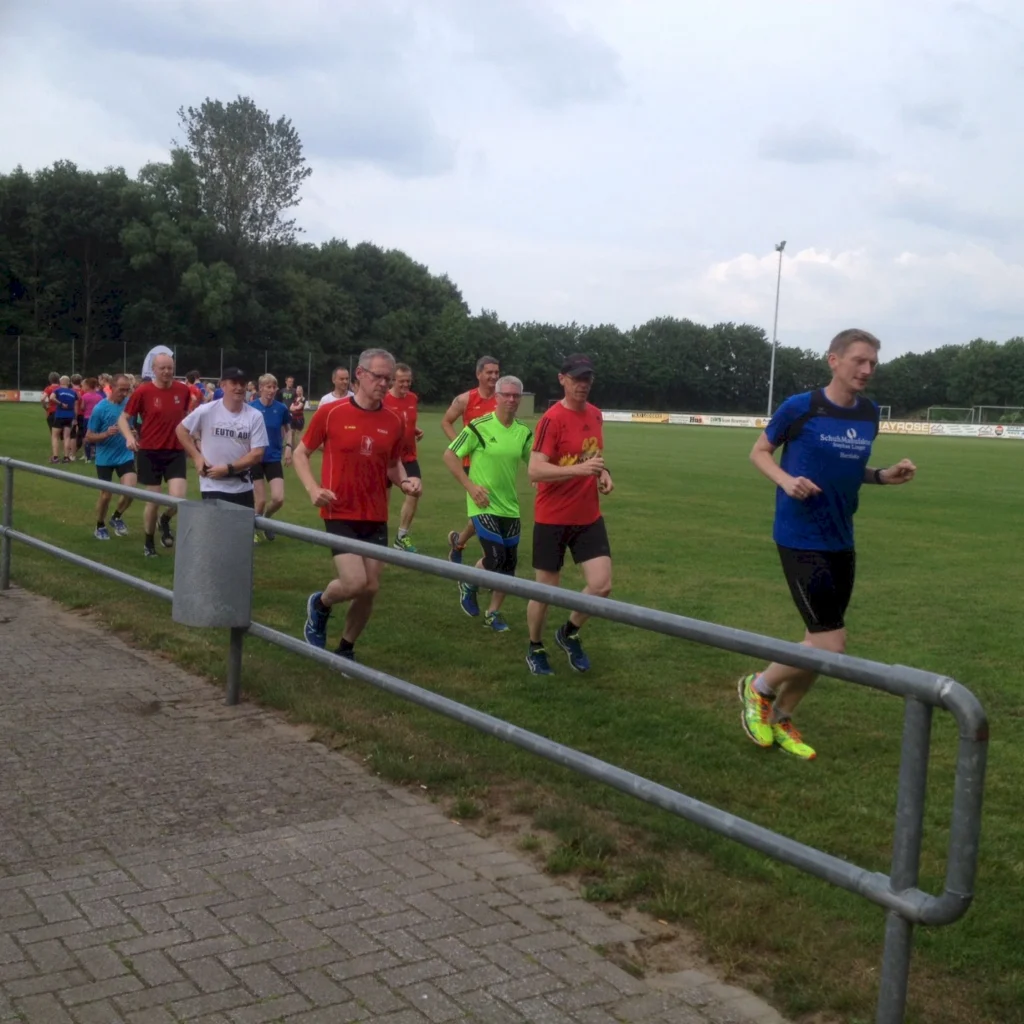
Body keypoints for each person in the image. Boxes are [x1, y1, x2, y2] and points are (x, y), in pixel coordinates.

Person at [737, 328, 917, 760]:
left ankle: (780, 719)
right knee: (831, 644)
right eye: (859, 360)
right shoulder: (800, 408)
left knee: (815, 640)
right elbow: (759, 452)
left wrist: (882, 475)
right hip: (800, 536)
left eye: (873, 362)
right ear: (833, 361)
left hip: (842, 538)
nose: (868, 369)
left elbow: (848, 468)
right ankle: (757, 688)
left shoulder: (869, 414)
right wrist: (786, 480)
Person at [292, 348, 421, 663]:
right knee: (354, 582)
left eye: (387, 378)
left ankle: (346, 648)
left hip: (375, 513)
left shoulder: (394, 421)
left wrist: (405, 482)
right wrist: (313, 488)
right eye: (377, 376)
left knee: (371, 587)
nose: (383, 383)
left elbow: (392, 466)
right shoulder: (331, 412)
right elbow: (300, 453)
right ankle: (321, 604)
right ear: (360, 375)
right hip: (340, 510)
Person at [525, 354, 613, 676]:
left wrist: (603, 473)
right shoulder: (551, 419)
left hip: (588, 516)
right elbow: (535, 468)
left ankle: (569, 632)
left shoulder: (595, 415)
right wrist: (580, 470)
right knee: (546, 591)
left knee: (601, 586)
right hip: (552, 518)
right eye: (577, 378)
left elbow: (592, 454)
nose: (583, 384)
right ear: (562, 379)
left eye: (587, 378)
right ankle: (535, 646)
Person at [443, 375, 533, 632]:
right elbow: (449, 455)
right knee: (495, 558)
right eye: (507, 394)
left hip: (510, 507)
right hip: (482, 504)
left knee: (509, 566)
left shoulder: (523, 433)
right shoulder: (477, 427)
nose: (512, 399)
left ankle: (493, 613)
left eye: (516, 396)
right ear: (497, 397)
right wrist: (470, 487)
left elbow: (534, 462)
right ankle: (470, 583)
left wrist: (540, 477)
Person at [117, 351, 192, 557]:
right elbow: (123, 419)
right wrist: (129, 438)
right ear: (154, 370)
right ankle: (149, 543)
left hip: (175, 452)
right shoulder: (143, 391)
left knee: (178, 500)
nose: (167, 372)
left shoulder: (183, 391)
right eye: (162, 368)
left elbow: (187, 419)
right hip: (150, 452)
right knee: (153, 500)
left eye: (170, 368)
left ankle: (165, 519)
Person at [176, 368, 268, 507]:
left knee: (241, 529)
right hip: (213, 485)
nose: (239, 388)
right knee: (216, 528)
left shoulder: (255, 416)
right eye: (234, 383)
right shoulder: (207, 410)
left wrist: (229, 469)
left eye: (242, 384)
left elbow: (257, 454)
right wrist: (197, 457)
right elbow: (181, 430)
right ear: (223, 385)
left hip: (243, 486)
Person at [441, 355, 501, 563]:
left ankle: (458, 542)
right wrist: (460, 445)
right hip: (472, 465)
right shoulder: (465, 399)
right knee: (486, 508)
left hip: (497, 465)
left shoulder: (502, 399)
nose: (494, 376)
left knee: (485, 509)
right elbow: (446, 421)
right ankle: (489, 562)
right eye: (489, 372)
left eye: (496, 372)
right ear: (479, 374)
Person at [85, 374, 136, 539]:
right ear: (112, 387)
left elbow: (132, 427)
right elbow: (89, 437)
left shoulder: (130, 406)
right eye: (121, 390)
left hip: (125, 455)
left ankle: (116, 517)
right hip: (105, 457)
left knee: (131, 491)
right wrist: (106, 434)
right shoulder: (100, 408)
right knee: (106, 495)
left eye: (127, 390)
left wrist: (134, 434)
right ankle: (100, 525)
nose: (124, 393)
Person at [384, 363, 425, 552]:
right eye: (402, 381)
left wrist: (413, 430)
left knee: (415, 490)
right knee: (382, 501)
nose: (405, 385)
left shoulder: (413, 398)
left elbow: (407, 420)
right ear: (393, 380)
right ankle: (376, 536)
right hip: (386, 457)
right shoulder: (384, 399)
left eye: (408, 381)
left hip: (408, 455)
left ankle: (401, 536)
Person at [249, 373, 293, 539]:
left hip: (273, 457)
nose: (272, 390)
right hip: (255, 458)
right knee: (259, 501)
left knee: (278, 499)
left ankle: (266, 521)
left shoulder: (281, 408)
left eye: (274, 387)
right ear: (260, 388)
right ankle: (252, 531)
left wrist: (288, 447)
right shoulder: (251, 407)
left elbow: (288, 430)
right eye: (268, 387)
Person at [51, 376, 79, 464]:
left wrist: (60, 403)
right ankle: (66, 457)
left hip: (60, 415)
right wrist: (75, 418)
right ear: (68, 382)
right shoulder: (73, 392)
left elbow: (52, 398)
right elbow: (76, 407)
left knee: (55, 436)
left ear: (60, 382)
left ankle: (55, 457)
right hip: (70, 416)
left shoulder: (58, 390)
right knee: (67, 437)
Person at [79, 378, 105, 463]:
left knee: (87, 437)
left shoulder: (85, 396)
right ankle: (97, 455)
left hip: (87, 418)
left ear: (88, 386)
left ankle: (88, 457)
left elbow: (82, 407)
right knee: (97, 436)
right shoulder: (100, 397)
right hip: (97, 418)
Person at [41, 372, 61, 457]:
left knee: (54, 435)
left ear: (50, 379)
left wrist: (45, 407)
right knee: (65, 434)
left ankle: (55, 454)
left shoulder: (48, 388)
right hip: (62, 412)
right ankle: (68, 454)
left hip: (52, 412)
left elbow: (42, 399)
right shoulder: (61, 388)